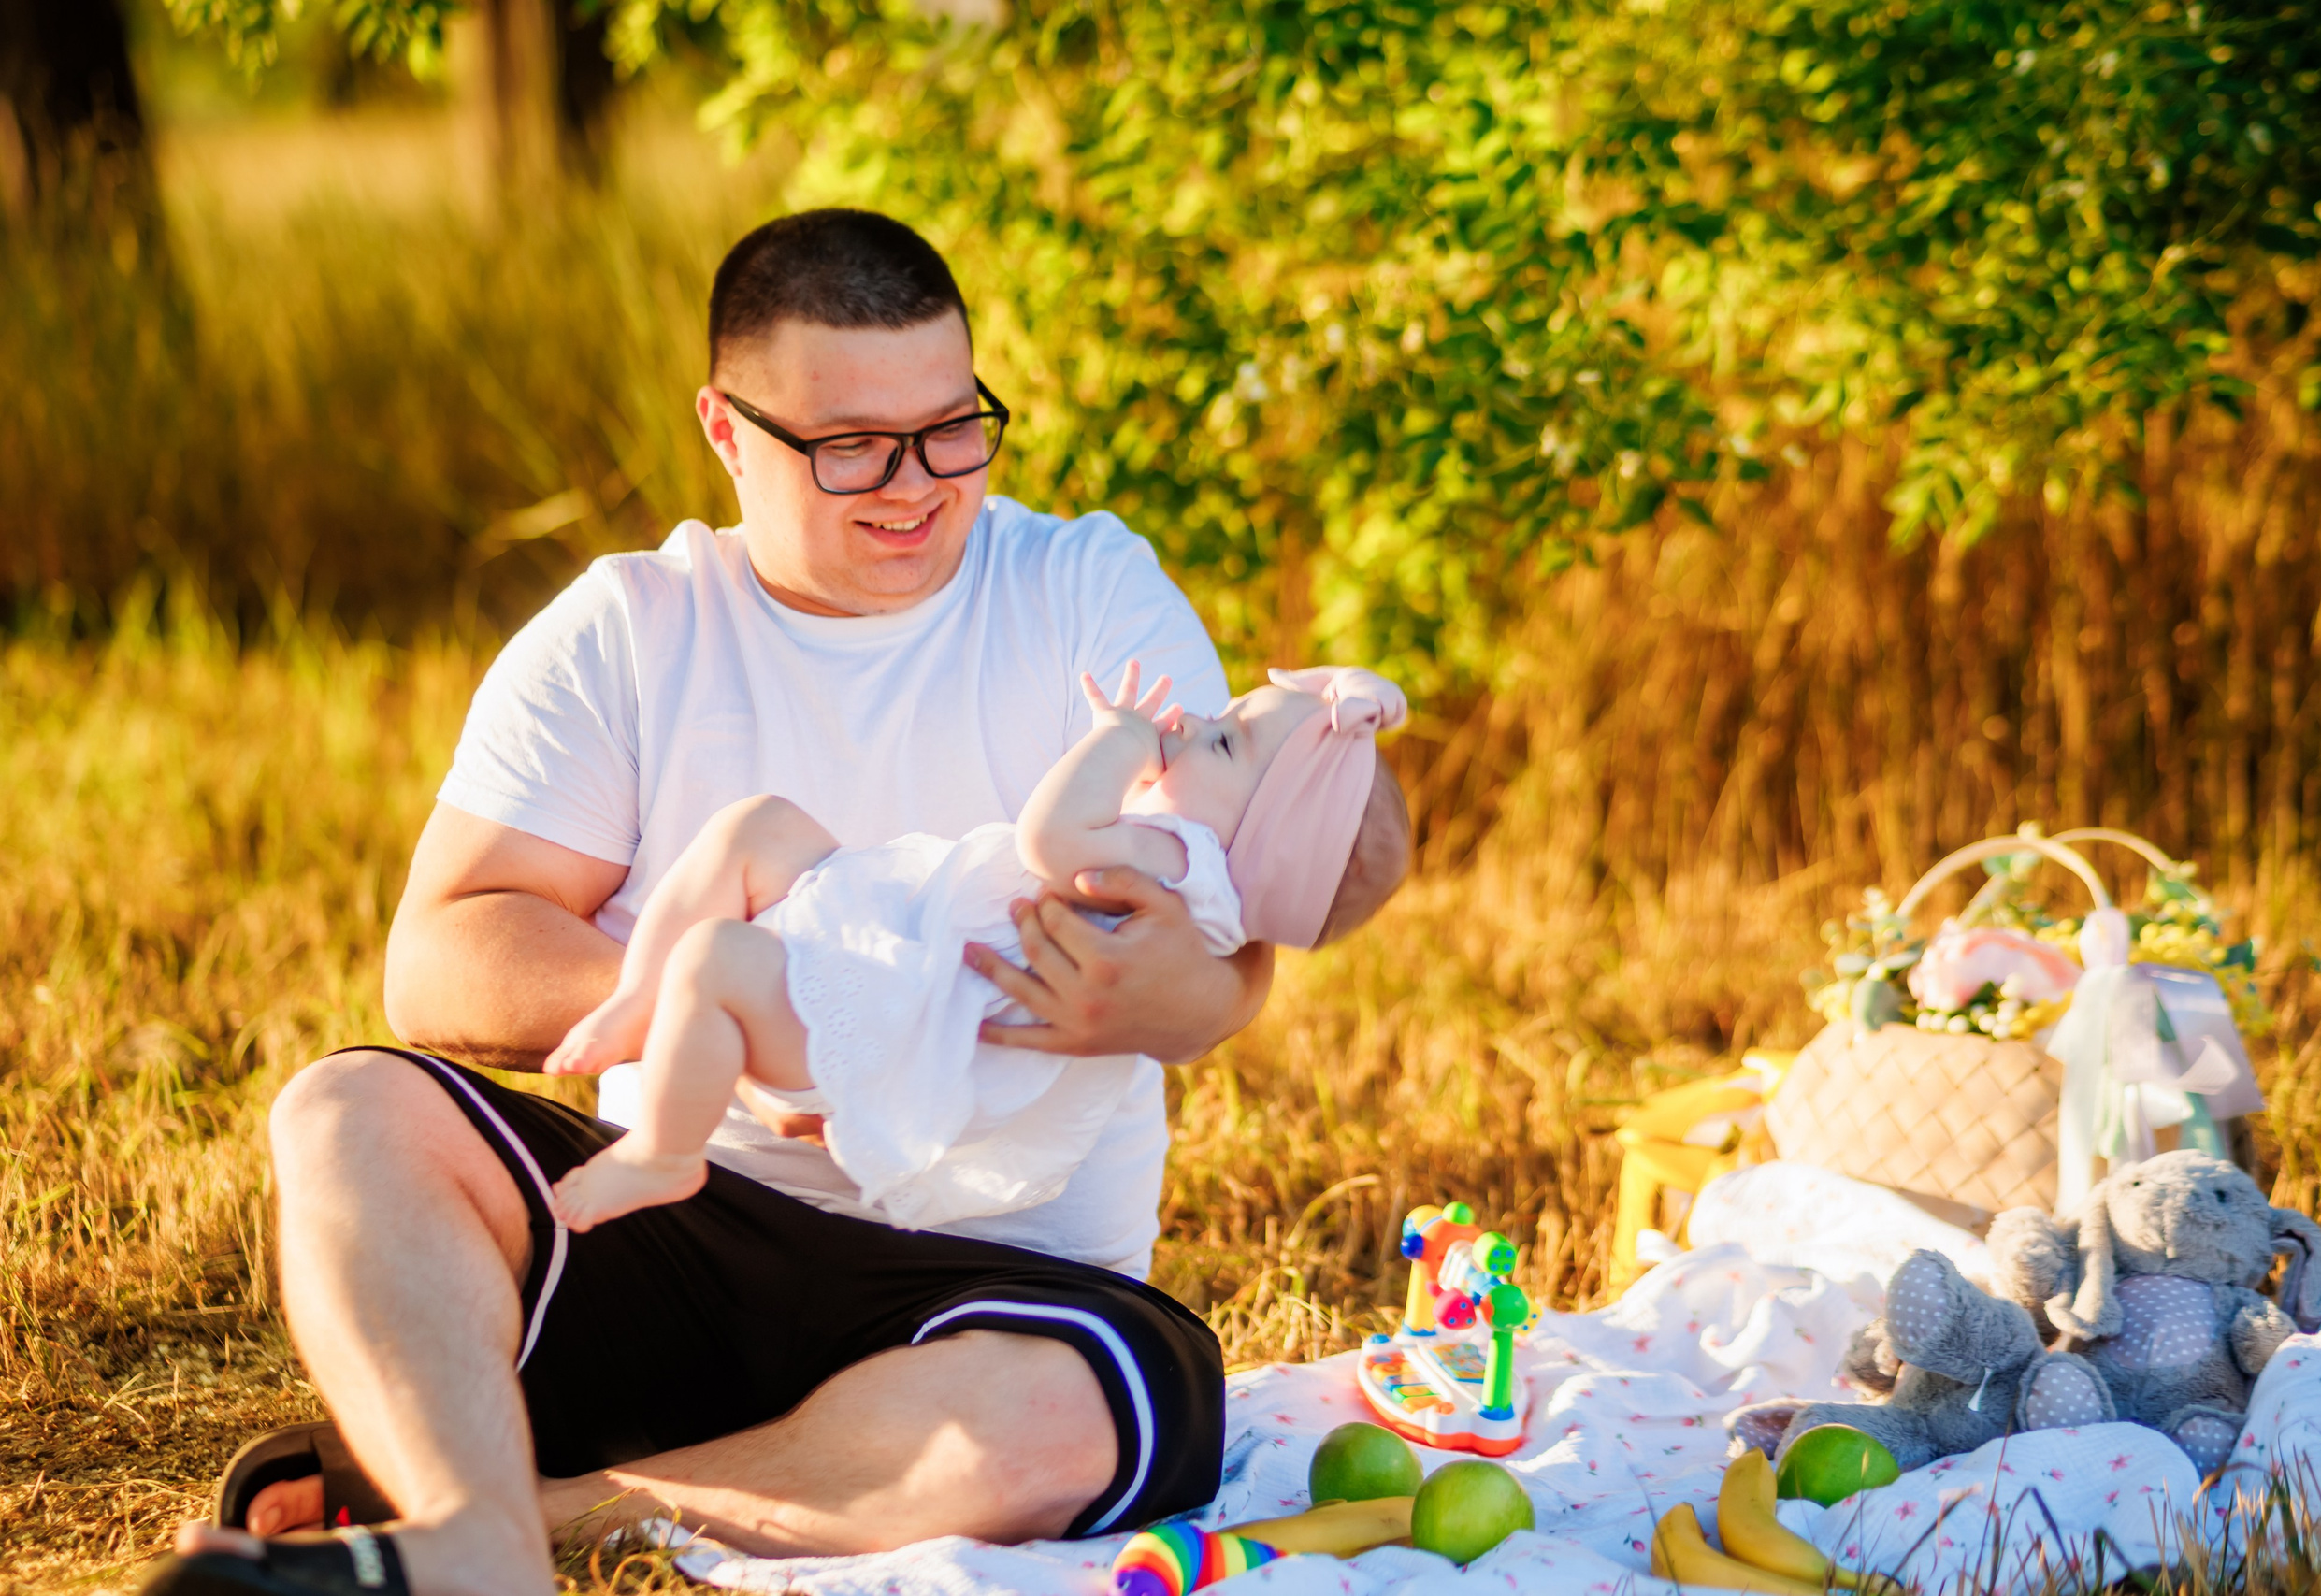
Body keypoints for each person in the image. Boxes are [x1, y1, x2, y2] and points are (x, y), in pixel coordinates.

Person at [151, 209, 1345, 1596]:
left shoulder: (1087, 591)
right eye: (851, 446)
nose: (915, 484)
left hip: (994, 1281)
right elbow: (442, 952)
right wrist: (748, 1009)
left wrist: (1171, 1000)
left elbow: (1234, 937)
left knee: (1098, 1410)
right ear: (727, 428)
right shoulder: (633, 626)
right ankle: (488, 1534)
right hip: (675, 1218)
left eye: (953, 427)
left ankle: (525, 1512)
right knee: (344, 1108)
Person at [543, 660, 1412, 1233]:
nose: (1187, 720)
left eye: (1223, 738)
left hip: (902, 1013)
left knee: (715, 955)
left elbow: (1049, 840)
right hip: (907, 956)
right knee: (758, 829)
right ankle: (635, 1002)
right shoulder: (1195, 880)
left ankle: (662, 1149)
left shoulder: (1185, 862)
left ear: (1260, 844)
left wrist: (1117, 741)